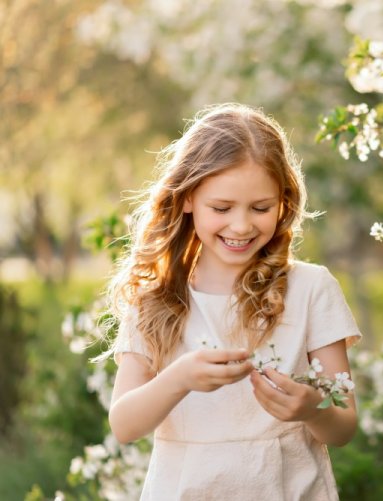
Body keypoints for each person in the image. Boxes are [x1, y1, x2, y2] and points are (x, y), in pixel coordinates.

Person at [104, 103, 361, 500]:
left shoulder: (311, 289)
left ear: (283, 202)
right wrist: (180, 378)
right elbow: (124, 425)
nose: (241, 225)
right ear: (187, 199)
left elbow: (343, 426)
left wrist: (312, 409)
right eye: (221, 208)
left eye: (260, 208)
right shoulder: (156, 300)